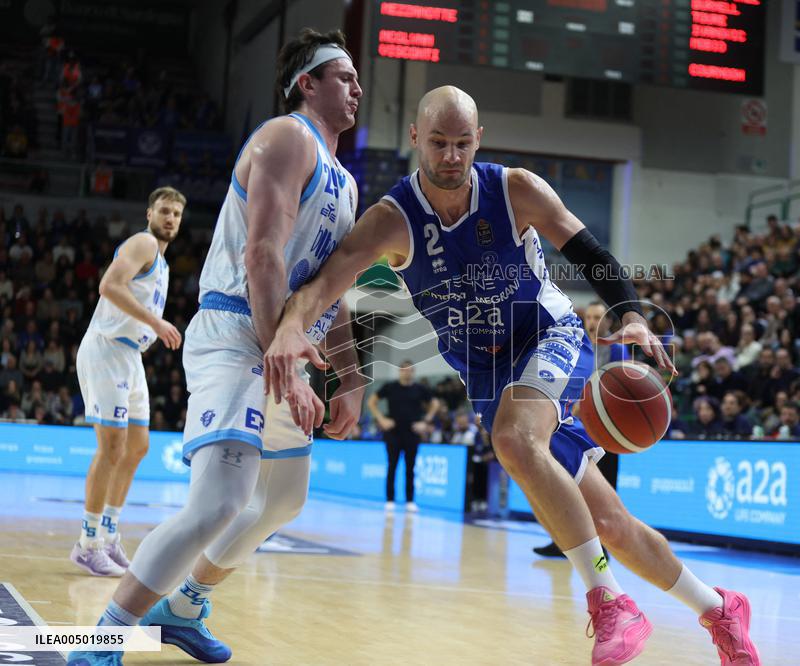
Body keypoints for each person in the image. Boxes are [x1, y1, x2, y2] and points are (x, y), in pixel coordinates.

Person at [265, 86, 758, 665]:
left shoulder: (513, 188)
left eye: (462, 144)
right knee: (608, 522)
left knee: (513, 438)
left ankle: (610, 602)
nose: (451, 156)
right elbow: (322, 287)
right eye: (440, 143)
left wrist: (626, 309)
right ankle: (720, 609)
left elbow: (587, 248)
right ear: (416, 139)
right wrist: (290, 329)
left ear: (480, 140)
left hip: (550, 336)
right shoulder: (391, 220)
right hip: (487, 375)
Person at [68, 29, 364, 666]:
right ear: (306, 83)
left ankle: (185, 605)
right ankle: (104, 637)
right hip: (240, 333)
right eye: (342, 76)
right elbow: (262, 253)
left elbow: (330, 290)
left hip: (289, 347)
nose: (357, 87)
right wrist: (280, 360)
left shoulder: (347, 182)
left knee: (283, 497)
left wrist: (352, 376)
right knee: (221, 500)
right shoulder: (286, 137)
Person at [71, 187, 184, 578]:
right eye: (165, 211)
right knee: (112, 447)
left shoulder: (164, 266)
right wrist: (155, 323)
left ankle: (110, 531)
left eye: (177, 214)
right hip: (106, 350)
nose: (170, 219)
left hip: (129, 357)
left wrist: (148, 329)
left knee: (137, 446)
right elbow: (108, 286)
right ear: (149, 213)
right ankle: (88, 543)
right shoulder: (143, 242)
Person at [534, 301, 630, 558]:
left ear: (608, 321)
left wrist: (588, 402)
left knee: (604, 489)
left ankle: (604, 548)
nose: (592, 322)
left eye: (598, 317)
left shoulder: (618, 351)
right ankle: (562, 543)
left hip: (606, 429)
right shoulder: (573, 348)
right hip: (573, 427)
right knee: (564, 486)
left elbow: (623, 388)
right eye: (588, 317)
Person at [367, 360, 440, 512]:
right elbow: (371, 402)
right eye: (404, 370)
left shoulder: (420, 389)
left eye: (410, 370)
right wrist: (381, 419)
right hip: (393, 432)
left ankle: (410, 501)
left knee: (410, 467)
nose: (407, 372)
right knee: (392, 466)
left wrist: (426, 421)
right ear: (400, 371)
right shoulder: (390, 387)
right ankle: (390, 500)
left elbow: (435, 403)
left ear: (413, 372)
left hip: (412, 433)